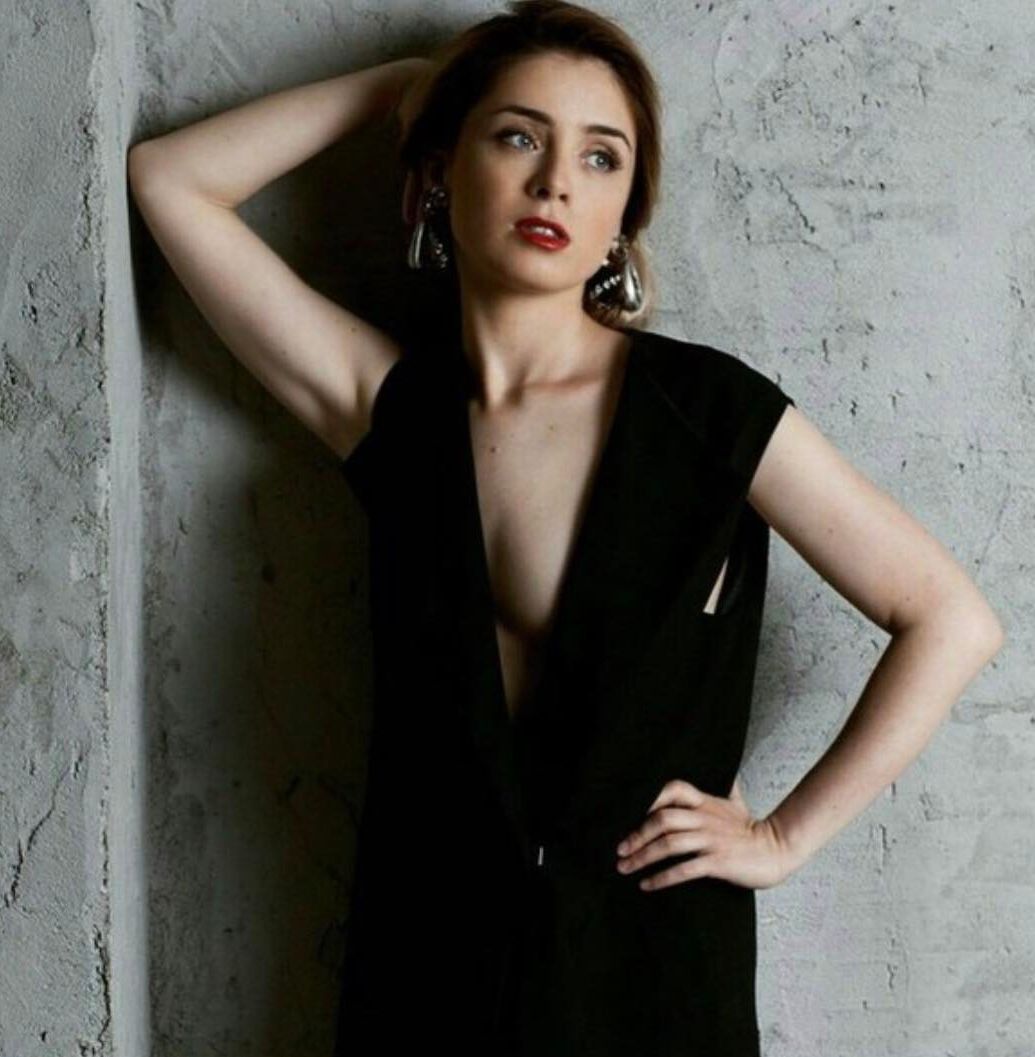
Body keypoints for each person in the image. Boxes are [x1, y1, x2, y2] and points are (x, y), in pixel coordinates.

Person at [127, 2, 1005, 1053]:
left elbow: (949, 619)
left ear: (624, 212)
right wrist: (401, 85)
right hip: (427, 977)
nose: (555, 183)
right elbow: (168, 181)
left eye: (600, 157)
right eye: (516, 136)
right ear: (442, 169)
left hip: (651, 981)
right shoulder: (389, 406)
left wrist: (781, 836)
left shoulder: (705, 411)